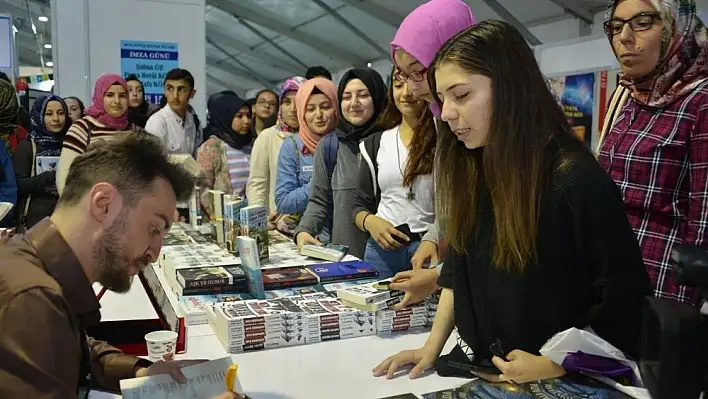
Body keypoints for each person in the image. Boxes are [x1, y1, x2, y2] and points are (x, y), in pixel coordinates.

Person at [374, 20, 651, 384]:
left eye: (461, 96)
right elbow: (459, 272)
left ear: (509, 89)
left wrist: (557, 363)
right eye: (442, 100)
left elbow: (625, 301)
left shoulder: (574, 179)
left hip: (558, 383)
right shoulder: (471, 166)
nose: (449, 113)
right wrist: (432, 348)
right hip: (482, 371)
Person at [0, 133, 239, 399]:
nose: (155, 253)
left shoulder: (33, 267)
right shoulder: (30, 301)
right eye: (154, 228)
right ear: (104, 204)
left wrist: (143, 373)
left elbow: (73, 351)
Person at [597, 0, 708, 306]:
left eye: (643, 22)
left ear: (676, 27)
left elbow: (703, 227)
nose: (625, 37)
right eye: (616, 27)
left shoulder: (699, 101)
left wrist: (687, 312)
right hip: (606, 279)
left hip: (662, 289)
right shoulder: (628, 97)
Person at [385, 0, 478, 307]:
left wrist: (441, 275)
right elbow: (456, 199)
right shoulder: (443, 119)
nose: (411, 89)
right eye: (403, 75)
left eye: (419, 71)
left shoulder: (488, 130)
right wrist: (433, 236)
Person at [294, 67, 391, 259]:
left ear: (378, 97)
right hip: (347, 260)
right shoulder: (330, 146)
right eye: (346, 97)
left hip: (392, 259)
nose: (354, 103)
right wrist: (304, 231)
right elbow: (318, 200)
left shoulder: (393, 141)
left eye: (363, 95)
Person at [353, 68, 435, 278]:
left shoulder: (447, 137)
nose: (406, 93)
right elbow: (359, 205)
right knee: (375, 310)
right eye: (398, 86)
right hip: (381, 249)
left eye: (413, 86)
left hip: (428, 247)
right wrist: (371, 222)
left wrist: (435, 238)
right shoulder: (375, 143)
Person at [56, 73, 142, 195]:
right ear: (100, 97)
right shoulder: (83, 128)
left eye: (122, 95)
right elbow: (65, 175)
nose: (117, 101)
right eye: (110, 95)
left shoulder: (135, 131)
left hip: (129, 206)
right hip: (91, 204)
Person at [274, 78, 339, 236]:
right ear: (302, 113)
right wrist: (320, 182)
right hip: (310, 237)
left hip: (346, 237)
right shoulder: (292, 147)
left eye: (325, 107)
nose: (319, 115)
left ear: (336, 108)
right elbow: (283, 202)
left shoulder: (347, 143)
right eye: (310, 109)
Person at [246, 77, 305, 224]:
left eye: (298, 101)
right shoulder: (268, 137)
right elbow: (257, 184)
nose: (293, 109)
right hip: (276, 223)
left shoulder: (315, 138)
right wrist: (258, 222)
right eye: (287, 102)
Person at [13, 95, 71, 230]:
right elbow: (18, 185)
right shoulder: (27, 146)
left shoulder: (72, 143)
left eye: (61, 113)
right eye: (49, 114)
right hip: (35, 222)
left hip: (68, 219)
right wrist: (47, 178)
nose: (56, 119)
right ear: (39, 116)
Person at [197, 93, 252, 211]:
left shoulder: (252, 145)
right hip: (222, 220)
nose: (246, 121)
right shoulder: (211, 148)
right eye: (239, 116)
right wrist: (221, 214)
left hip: (250, 217)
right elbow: (202, 188)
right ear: (226, 117)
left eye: (248, 115)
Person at [145, 68, 201, 156]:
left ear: (192, 94)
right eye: (170, 89)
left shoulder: (193, 121)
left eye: (181, 89)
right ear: (165, 92)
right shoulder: (157, 122)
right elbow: (151, 162)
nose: (175, 96)